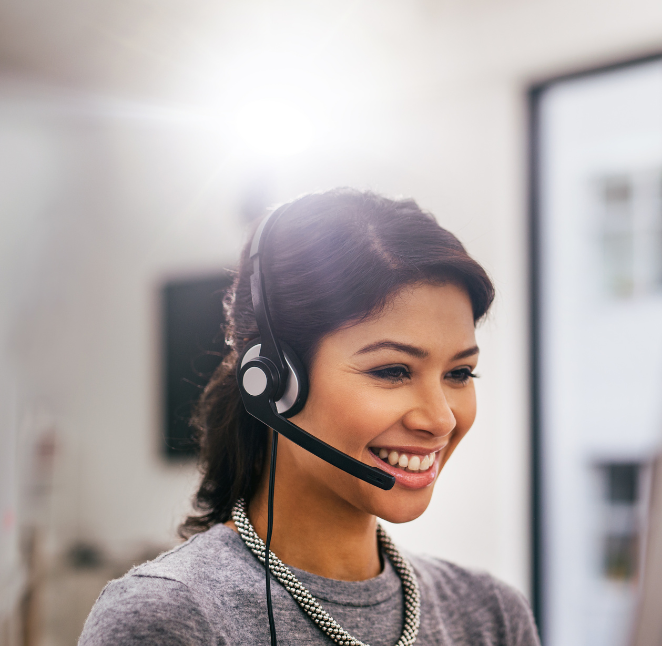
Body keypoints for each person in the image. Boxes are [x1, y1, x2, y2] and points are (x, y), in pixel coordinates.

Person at [78, 189, 540, 645]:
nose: (440, 419)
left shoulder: (491, 615)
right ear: (275, 381)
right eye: (393, 371)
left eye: (459, 372)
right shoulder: (170, 619)